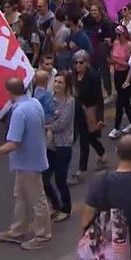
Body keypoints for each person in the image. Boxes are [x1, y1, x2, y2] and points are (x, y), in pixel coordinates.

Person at [0, 78, 52, 251]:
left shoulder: (19, 112)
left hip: (28, 162)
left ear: (9, 92)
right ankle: (18, 229)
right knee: (20, 196)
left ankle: (43, 235)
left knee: (37, 199)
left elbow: (13, 143)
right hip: (31, 159)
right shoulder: (34, 103)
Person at [71, 50, 108, 183]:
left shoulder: (93, 76)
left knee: (84, 140)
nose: (78, 65)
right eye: (76, 62)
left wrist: (100, 118)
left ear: (86, 63)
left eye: (81, 62)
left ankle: (81, 171)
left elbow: (99, 98)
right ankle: (103, 154)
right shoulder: (73, 75)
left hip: (90, 110)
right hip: (78, 110)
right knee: (90, 137)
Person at [43, 72, 75, 222]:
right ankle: (55, 204)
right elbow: (45, 115)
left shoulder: (69, 101)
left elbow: (63, 123)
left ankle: (66, 208)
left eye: (60, 82)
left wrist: (48, 126)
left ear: (67, 85)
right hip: (50, 145)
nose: (56, 84)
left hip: (63, 145)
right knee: (44, 177)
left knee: (60, 178)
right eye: (55, 81)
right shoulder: (50, 99)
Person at [108, 26, 131, 139]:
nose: (118, 37)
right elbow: (112, 56)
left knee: (120, 101)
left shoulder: (129, 46)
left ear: (125, 35)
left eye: (120, 35)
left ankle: (116, 127)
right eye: (116, 35)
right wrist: (112, 63)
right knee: (124, 101)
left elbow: (130, 64)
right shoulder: (115, 43)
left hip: (126, 75)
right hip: (117, 74)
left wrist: (117, 61)